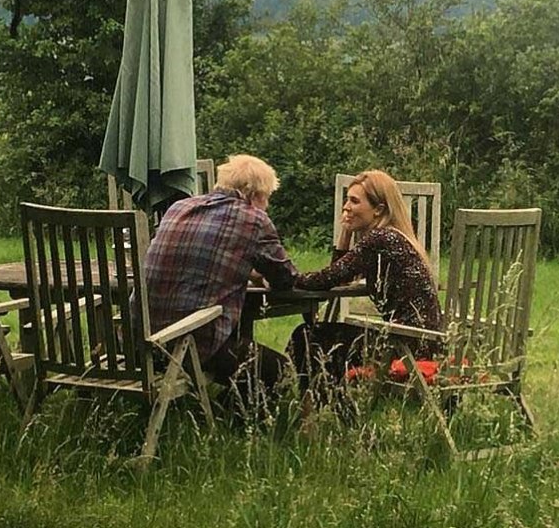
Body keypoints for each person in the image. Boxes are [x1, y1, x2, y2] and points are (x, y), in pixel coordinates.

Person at [144, 154, 298, 388]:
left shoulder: (179, 207)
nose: (267, 206)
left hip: (145, 343)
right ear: (254, 196)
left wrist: (244, 270)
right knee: (281, 369)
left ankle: (228, 407)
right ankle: (239, 419)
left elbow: (196, 262)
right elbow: (285, 278)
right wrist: (261, 274)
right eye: (267, 198)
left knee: (239, 340)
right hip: (191, 346)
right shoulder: (254, 219)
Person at [289, 170, 443, 388]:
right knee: (323, 337)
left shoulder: (379, 239)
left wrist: (283, 276)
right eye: (346, 200)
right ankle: (332, 404)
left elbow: (326, 279)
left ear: (378, 210)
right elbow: (340, 276)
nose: (346, 207)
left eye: (354, 201)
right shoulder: (394, 237)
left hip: (405, 347)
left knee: (307, 336)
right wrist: (346, 233)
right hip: (425, 343)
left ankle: (313, 410)